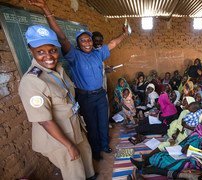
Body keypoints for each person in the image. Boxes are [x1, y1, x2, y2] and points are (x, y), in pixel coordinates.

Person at [28, 0, 129, 160]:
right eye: (83, 40)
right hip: (86, 97)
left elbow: (113, 43)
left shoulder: (98, 53)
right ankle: (96, 150)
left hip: (100, 95)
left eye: (88, 40)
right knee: (92, 125)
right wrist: (47, 10)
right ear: (78, 43)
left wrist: (125, 33)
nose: (87, 43)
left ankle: (104, 145)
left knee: (103, 122)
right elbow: (61, 37)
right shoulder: (74, 55)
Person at [19, 25, 96, 179]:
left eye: (52, 50)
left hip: (74, 127)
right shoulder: (31, 81)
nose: (48, 56)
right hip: (58, 137)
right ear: (31, 50)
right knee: (74, 171)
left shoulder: (58, 70)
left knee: (86, 157)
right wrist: (69, 146)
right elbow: (45, 121)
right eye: (40, 52)